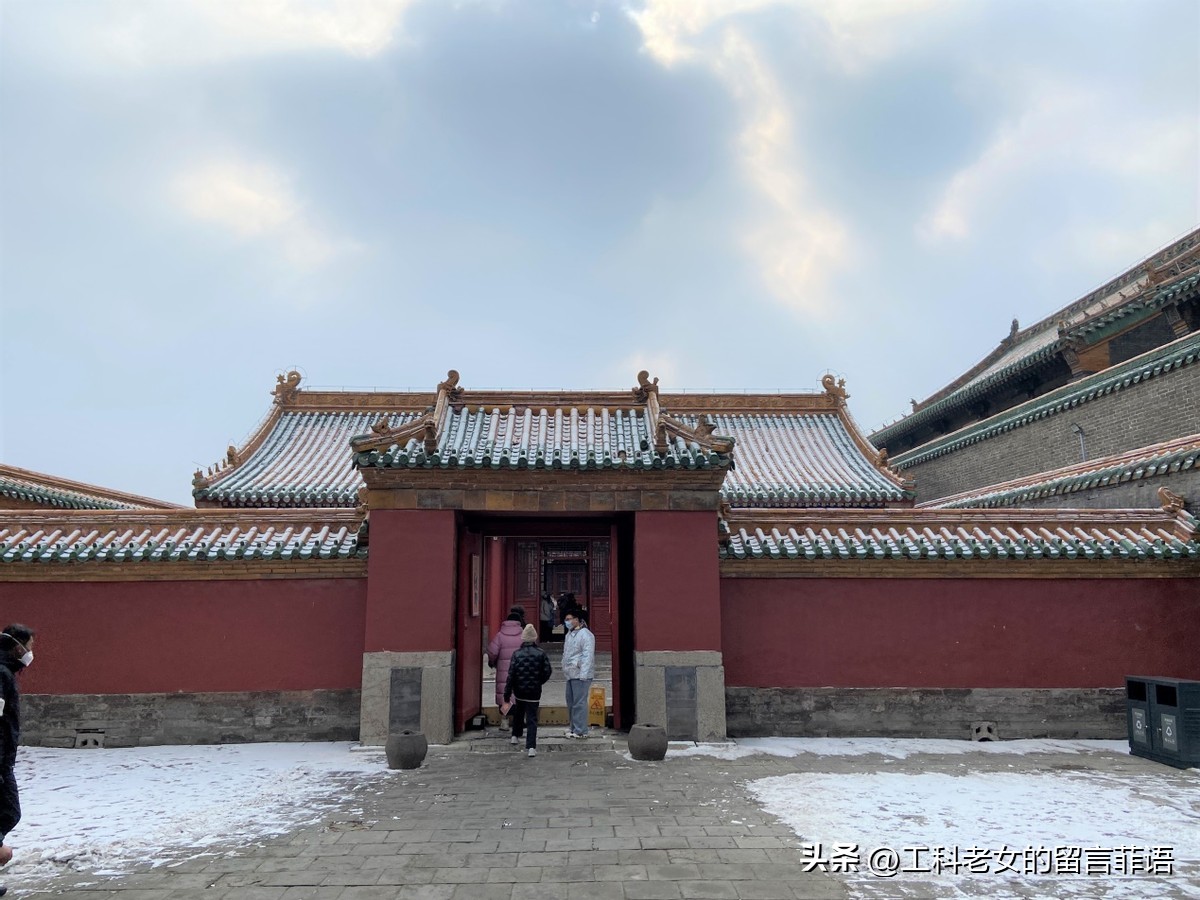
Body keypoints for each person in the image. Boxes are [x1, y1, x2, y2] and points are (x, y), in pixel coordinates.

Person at [0, 624, 35, 897]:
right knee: (8, 812)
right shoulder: (1, 674)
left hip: (3, 760)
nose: (30, 653)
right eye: (29, 647)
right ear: (17, 646)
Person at [503, 624, 551, 757]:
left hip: (519, 690)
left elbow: (511, 675)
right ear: (534, 638)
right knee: (532, 718)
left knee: (519, 713)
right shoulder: (541, 653)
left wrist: (507, 694)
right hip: (534, 691)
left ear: (523, 638)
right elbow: (547, 672)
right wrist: (538, 682)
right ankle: (531, 747)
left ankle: (515, 735)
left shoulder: (517, 654)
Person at [560, 608, 595, 739]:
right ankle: (573, 727)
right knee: (571, 701)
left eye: (569, 619)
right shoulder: (569, 635)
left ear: (577, 620)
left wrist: (583, 674)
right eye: (566, 619)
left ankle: (581, 730)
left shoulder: (586, 634)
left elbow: (587, 655)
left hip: (580, 674)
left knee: (579, 703)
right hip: (570, 673)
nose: (567, 622)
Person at [487, 606, 526, 710]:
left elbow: (492, 651)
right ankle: (521, 718)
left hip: (504, 670)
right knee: (520, 693)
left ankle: (505, 720)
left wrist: (492, 662)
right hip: (521, 669)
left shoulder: (500, 635)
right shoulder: (524, 635)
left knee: (505, 692)